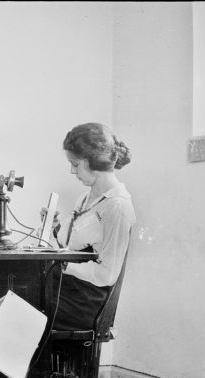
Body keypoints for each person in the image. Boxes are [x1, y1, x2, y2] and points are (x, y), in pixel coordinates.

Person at [42, 122, 135, 331]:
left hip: (86, 302)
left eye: (75, 164)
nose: (72, 171)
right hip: (67, 288)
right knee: (15, 292)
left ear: (92, 161)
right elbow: (68, 248)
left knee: (21, 301)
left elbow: (107, 274)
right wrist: (52, 227)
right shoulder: (87, 198)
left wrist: (64, 266)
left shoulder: (117, 206)